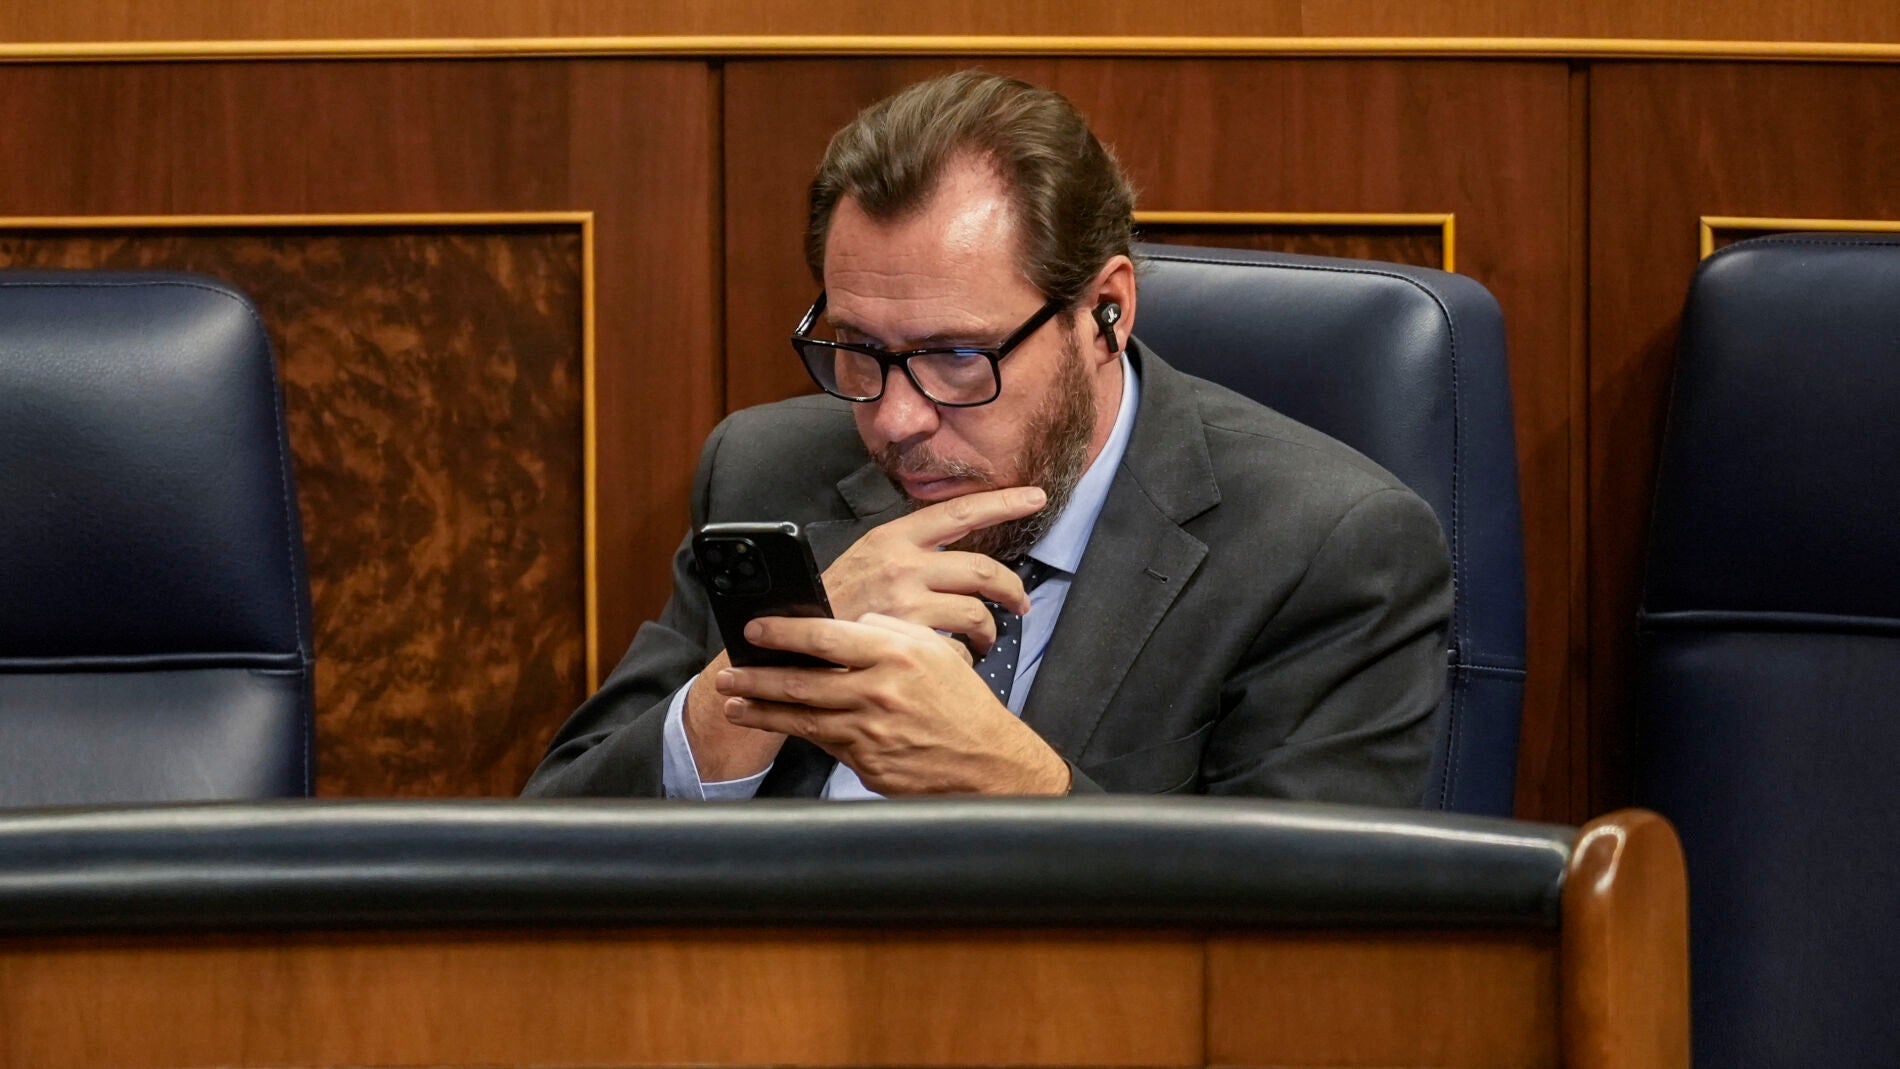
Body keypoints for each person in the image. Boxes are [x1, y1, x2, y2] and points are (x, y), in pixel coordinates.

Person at [524, 71, 1451, 802]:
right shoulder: (769, 475)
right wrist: (751, 689)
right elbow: (547, 852)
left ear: (1107, 312)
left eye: (958, 356)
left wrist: (1014, 783)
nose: (894, 420)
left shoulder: (1327, 549)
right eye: (857, 350)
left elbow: (1302, 955)